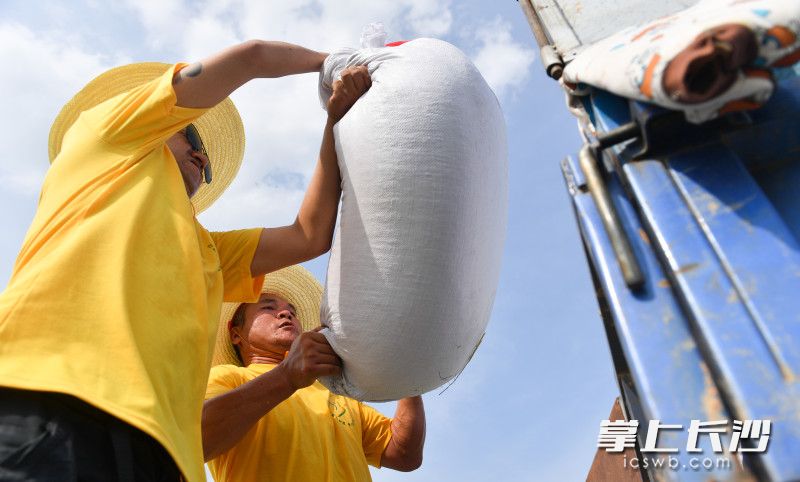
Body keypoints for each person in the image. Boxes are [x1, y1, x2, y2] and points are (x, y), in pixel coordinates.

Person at [0, 40, 371, 482]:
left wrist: (335, 119)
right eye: (192, 134)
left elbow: (309, 235)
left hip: (166, 458)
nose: (203, 155)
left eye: (208, 160)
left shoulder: (208, 249)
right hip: (54, 401)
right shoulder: (106, 138)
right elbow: (252, 57)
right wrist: (330, 64)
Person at [203, 265, 426, 482]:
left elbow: (403, 453)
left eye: (292, 311)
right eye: (267, 307)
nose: (285, 314)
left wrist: (406, 376)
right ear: (235, 333)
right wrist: (287, 377)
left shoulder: (335, 391)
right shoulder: (226, 378)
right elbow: (197, 438)